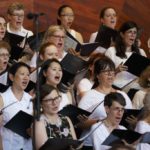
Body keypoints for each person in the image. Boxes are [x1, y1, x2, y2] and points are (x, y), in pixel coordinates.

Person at [78, 56, 132, 122]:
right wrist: (102, 121)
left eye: (112, 71)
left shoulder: (123, 94)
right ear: (97, 75)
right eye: (106, 71)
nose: (110, 74)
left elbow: (129, 117)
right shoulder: (90, 95)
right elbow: (79, 122)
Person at [0, 62, 33, 150]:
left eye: (28, 75)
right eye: (22, 74)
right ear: (12, 77)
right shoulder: (2, 98)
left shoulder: (31, 100)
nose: (26, 78)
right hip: (8, 146)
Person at [35, 84, 76, 150]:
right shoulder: (39, 123)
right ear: (40, 103)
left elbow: (75, 144)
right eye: (49, 100)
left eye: (56, 98)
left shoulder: (66, 119)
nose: (54, 103)